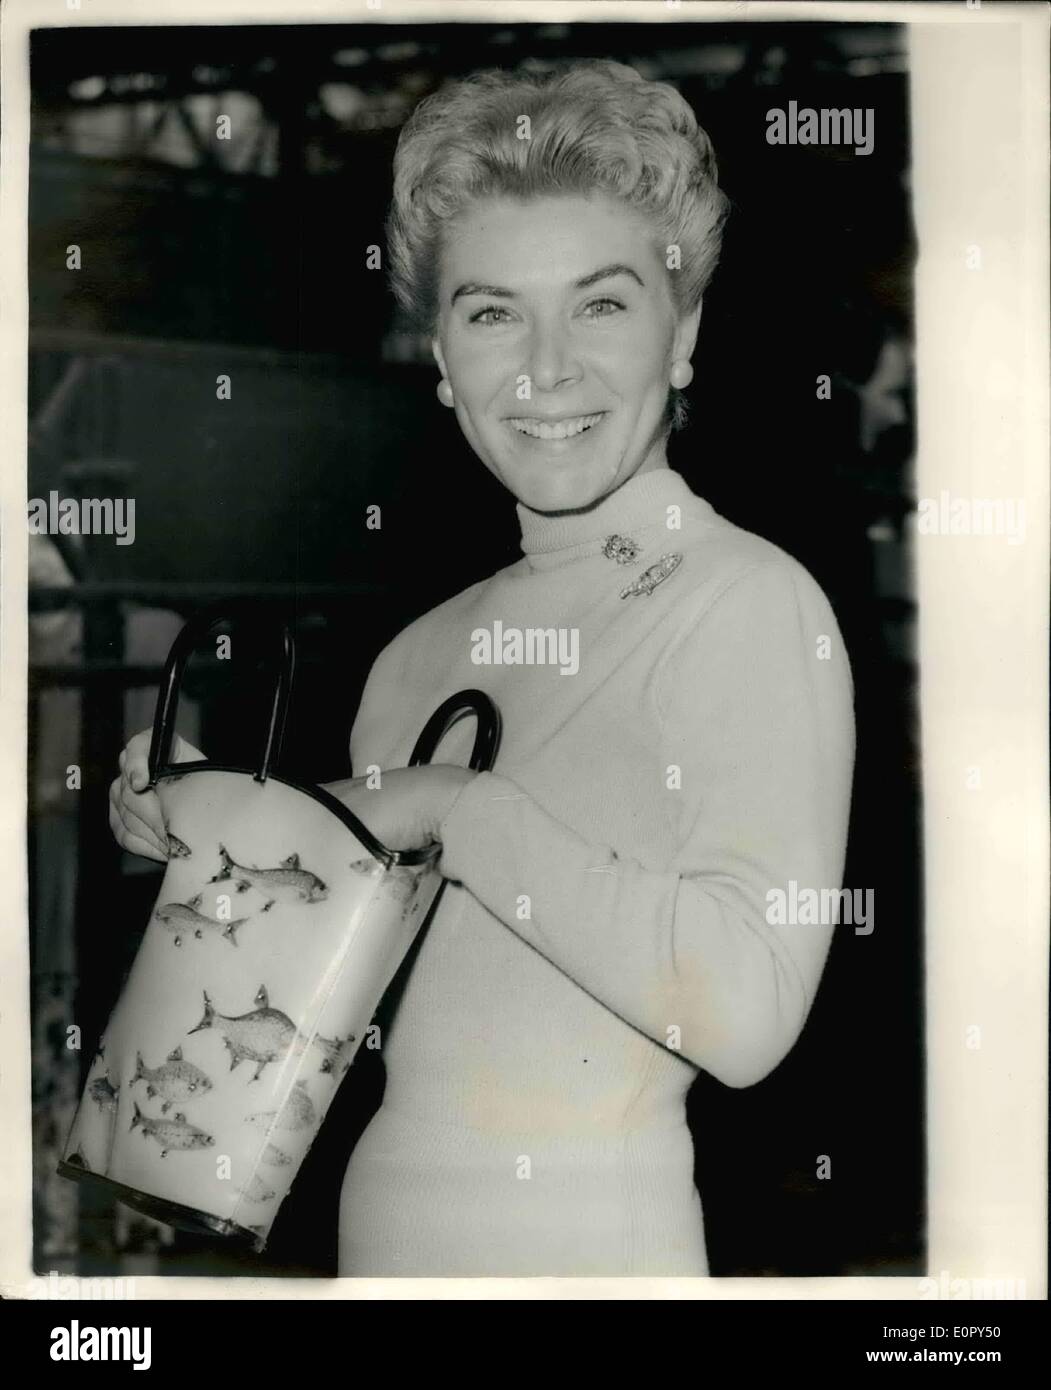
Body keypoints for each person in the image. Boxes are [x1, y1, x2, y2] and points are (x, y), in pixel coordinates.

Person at [109, 60, 855, 1278]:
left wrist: (448, 805)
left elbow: (747, 1013)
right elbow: (332, 1001)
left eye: (602, 305)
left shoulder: (750, 604)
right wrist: (209, 826)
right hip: (381, 1241)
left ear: (686, 334)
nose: (544, 368)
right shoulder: (417, 654)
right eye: (492, 310)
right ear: (442, 355)